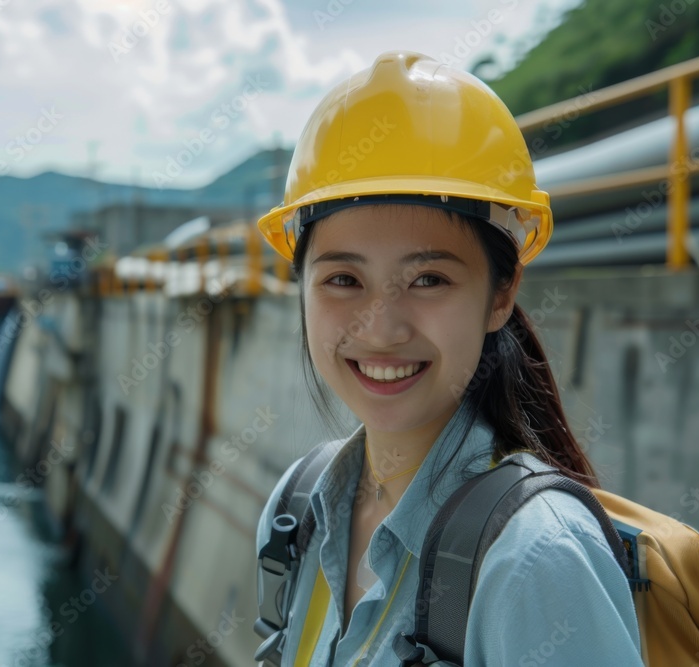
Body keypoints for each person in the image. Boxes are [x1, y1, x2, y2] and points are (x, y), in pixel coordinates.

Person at [254, 51, 644, 666]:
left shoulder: (536, 562)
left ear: (501, 293)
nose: (380, 330)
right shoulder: (297, 511)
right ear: (300, 287)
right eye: (343, 281)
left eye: (429, 279)